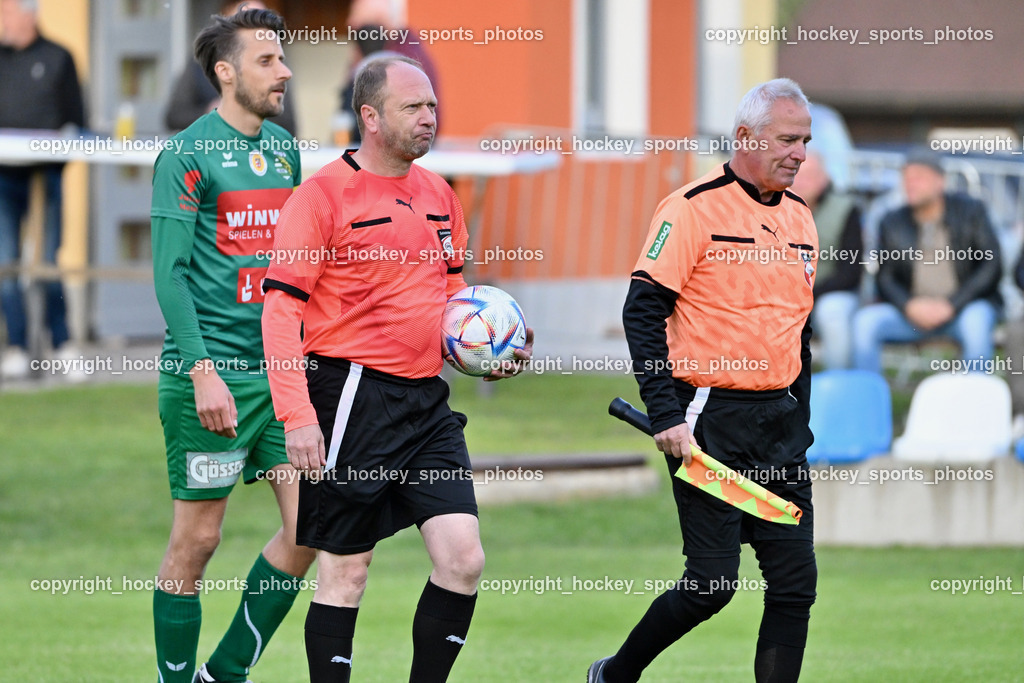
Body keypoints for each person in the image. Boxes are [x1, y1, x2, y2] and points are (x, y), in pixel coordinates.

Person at [261, 55, 532, 683]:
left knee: (463, 559)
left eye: (432, 105)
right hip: (349, 397)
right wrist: (297, 416)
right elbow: (279, 313)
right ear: (371, 117)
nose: (429, 117)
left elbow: (454, 302)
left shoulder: (440, 195)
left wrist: (488, 351)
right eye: (413, 107)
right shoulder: (322, 196)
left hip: (426, 404)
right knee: (346, 572)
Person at [590, 78, 818, 683]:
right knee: (711, 585)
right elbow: (641, 312)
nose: (799, 153)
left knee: (795, 585)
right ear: (745, 136)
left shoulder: (801, 217)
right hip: (707, 420)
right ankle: (614, 675)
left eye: (805, 141)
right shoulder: (690, 208)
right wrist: (665, 414)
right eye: (787, 140)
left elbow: (799, 330)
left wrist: (802, 416)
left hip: (781, 427)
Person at [149, 8, 314, 683]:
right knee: (198, 540)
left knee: (311, 528)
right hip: (210, 374)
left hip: (280, 377)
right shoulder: (185, 155)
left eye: (283, 58)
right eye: (267, 61)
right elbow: (170, 275)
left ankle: (225, 672)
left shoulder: (285, 150)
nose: (284, 72)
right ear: (226, 72)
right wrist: (202, 371)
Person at [851, 150, 1001, 373]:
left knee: (976, 323)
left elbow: (991, 265)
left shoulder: (971, 212)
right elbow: (885, 277)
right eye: (906, 177)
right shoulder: (892, 221)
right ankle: (868, 394)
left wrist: (952, 305)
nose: (910, 184)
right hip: (911, 315)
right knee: (865, 323)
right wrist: (909, 305)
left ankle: (974, 392)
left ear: (940, 181)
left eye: (919, 177)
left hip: (963, 309)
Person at [0, 0, 84, 379]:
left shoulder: (58, 57)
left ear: (28, 15)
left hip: (45, 175)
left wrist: (56, 162)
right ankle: (16, 345)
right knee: (6, 261)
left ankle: (62, 343)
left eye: (7, 12)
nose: (3, 21)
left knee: (49, 260)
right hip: (4, 177)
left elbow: (75, 121)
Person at [163, 0, 297, 136]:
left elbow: (288, 124)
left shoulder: (276, 68)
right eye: (246, 20)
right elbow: (174, 116)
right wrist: (210, 112)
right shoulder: (199, 63)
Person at [790, 151, 863, 369]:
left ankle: (838, 383)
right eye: (796, 174)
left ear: (824, 179)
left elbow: (850, 272)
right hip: (782, 294)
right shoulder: (770, 208)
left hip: (828, 294)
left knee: (833, 312)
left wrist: (808, 295)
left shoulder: (846, 209)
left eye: (809, 176)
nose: (801, 182)